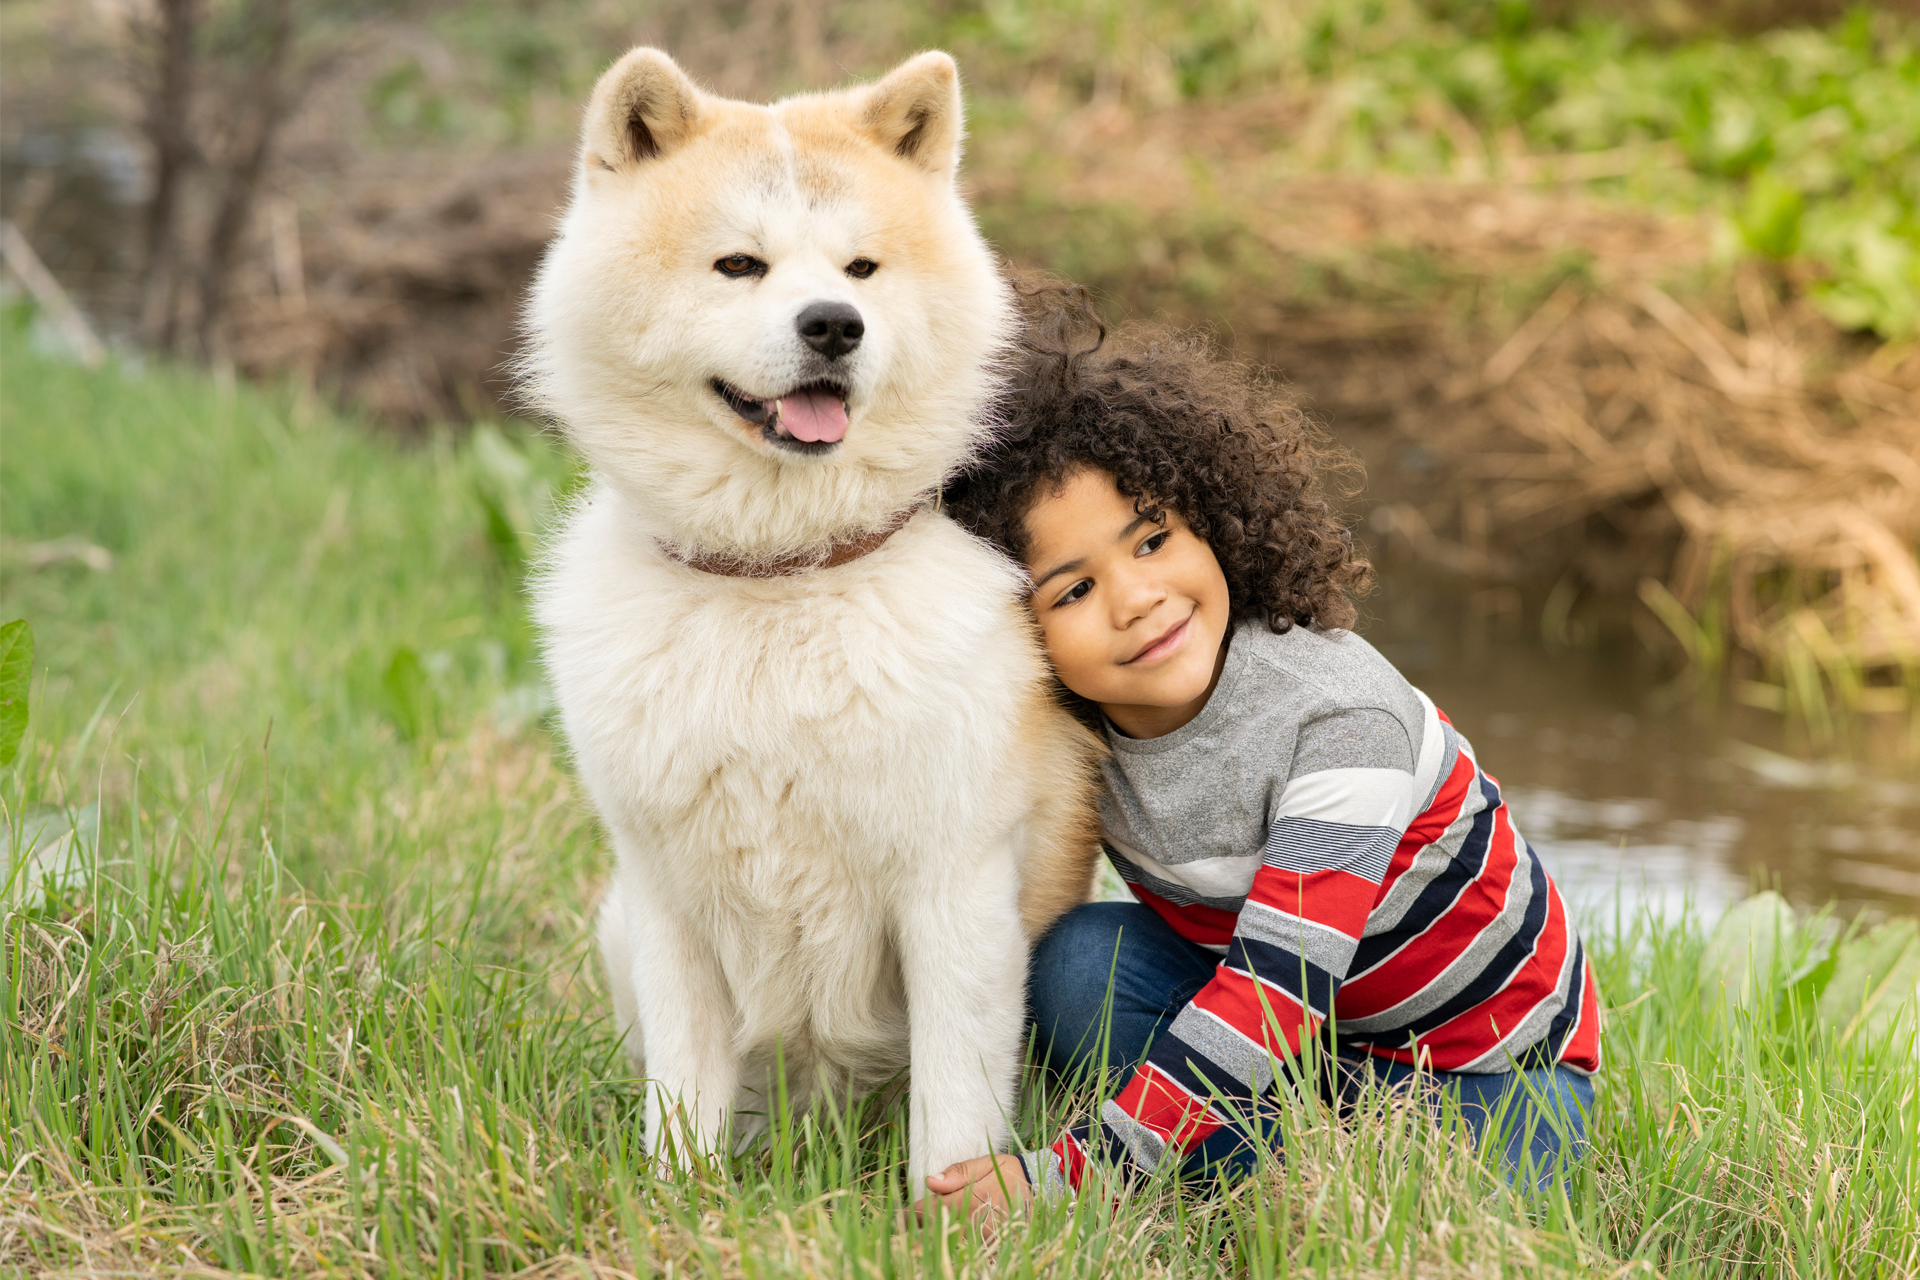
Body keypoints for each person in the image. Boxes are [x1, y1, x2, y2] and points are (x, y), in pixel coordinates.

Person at [924, 286, 1601, 1217]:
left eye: (1153, 538)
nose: (1138, 599)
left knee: (1439, 1211)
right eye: (1072, 591)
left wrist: (1067, 1178)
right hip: (1314, 1050)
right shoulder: (1077, 729)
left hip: (1484, 1072)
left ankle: (1246, 1167)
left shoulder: (1339, 718)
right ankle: (1255, 1150)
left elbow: (1275, 987)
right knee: (1076, 965)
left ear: (1213, 516)